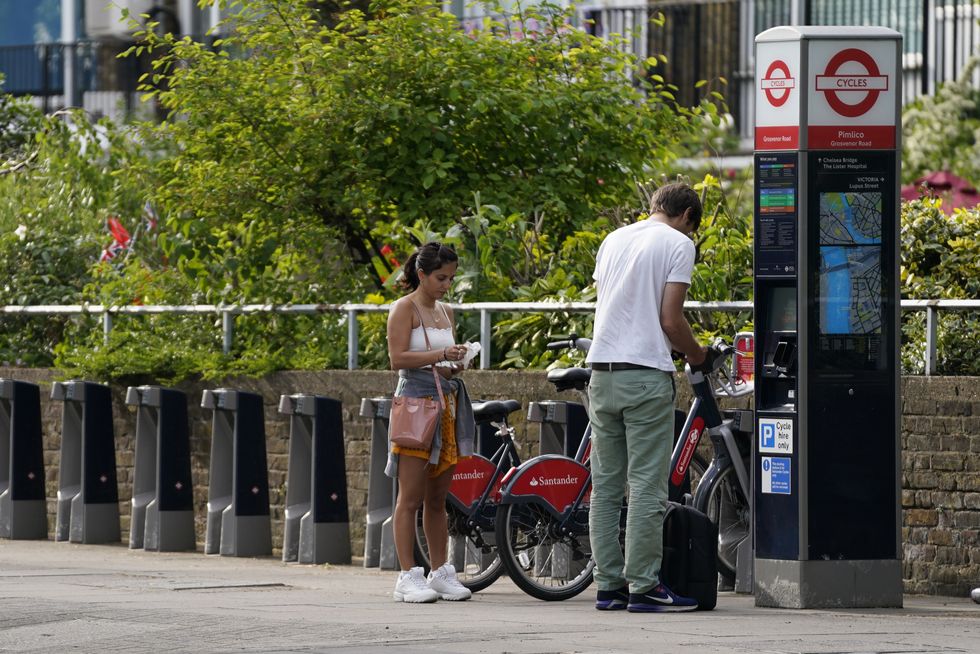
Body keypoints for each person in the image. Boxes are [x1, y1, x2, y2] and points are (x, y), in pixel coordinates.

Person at [585, 182, 708, 613]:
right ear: (688, 216)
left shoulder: (614, 239)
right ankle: (644, 586)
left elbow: (613, 304)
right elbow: (670, 320)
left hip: (601, 374)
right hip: (645, 376)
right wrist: (697, 354)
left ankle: (608, 586)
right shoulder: (678, 244)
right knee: (646, 488)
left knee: (605, 487)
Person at [385, 241, 476, 603]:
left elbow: (443, 361)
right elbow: (397, 359)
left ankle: (440, 571)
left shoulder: (445, 310)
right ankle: (407, 576)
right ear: (421, 274)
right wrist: (440, 353)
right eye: (440, 277)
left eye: (451, 278)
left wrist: (458, 360)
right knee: (410, 496)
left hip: (446, 403)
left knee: (438, 498)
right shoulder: (403, 308)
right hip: (415, 404)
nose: (446, 284)